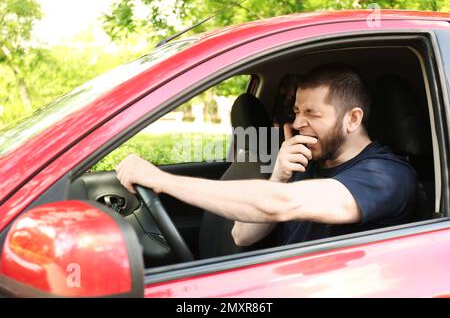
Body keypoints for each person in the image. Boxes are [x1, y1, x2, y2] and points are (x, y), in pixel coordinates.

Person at [116, 63, 417, 248]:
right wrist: (279, 175)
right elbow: (242, 237)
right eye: (297, 112)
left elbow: (280, 205)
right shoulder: (305, 160)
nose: (298, 123)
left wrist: (159, 179)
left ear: (352, 119)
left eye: (312, 113)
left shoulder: (388, 176)